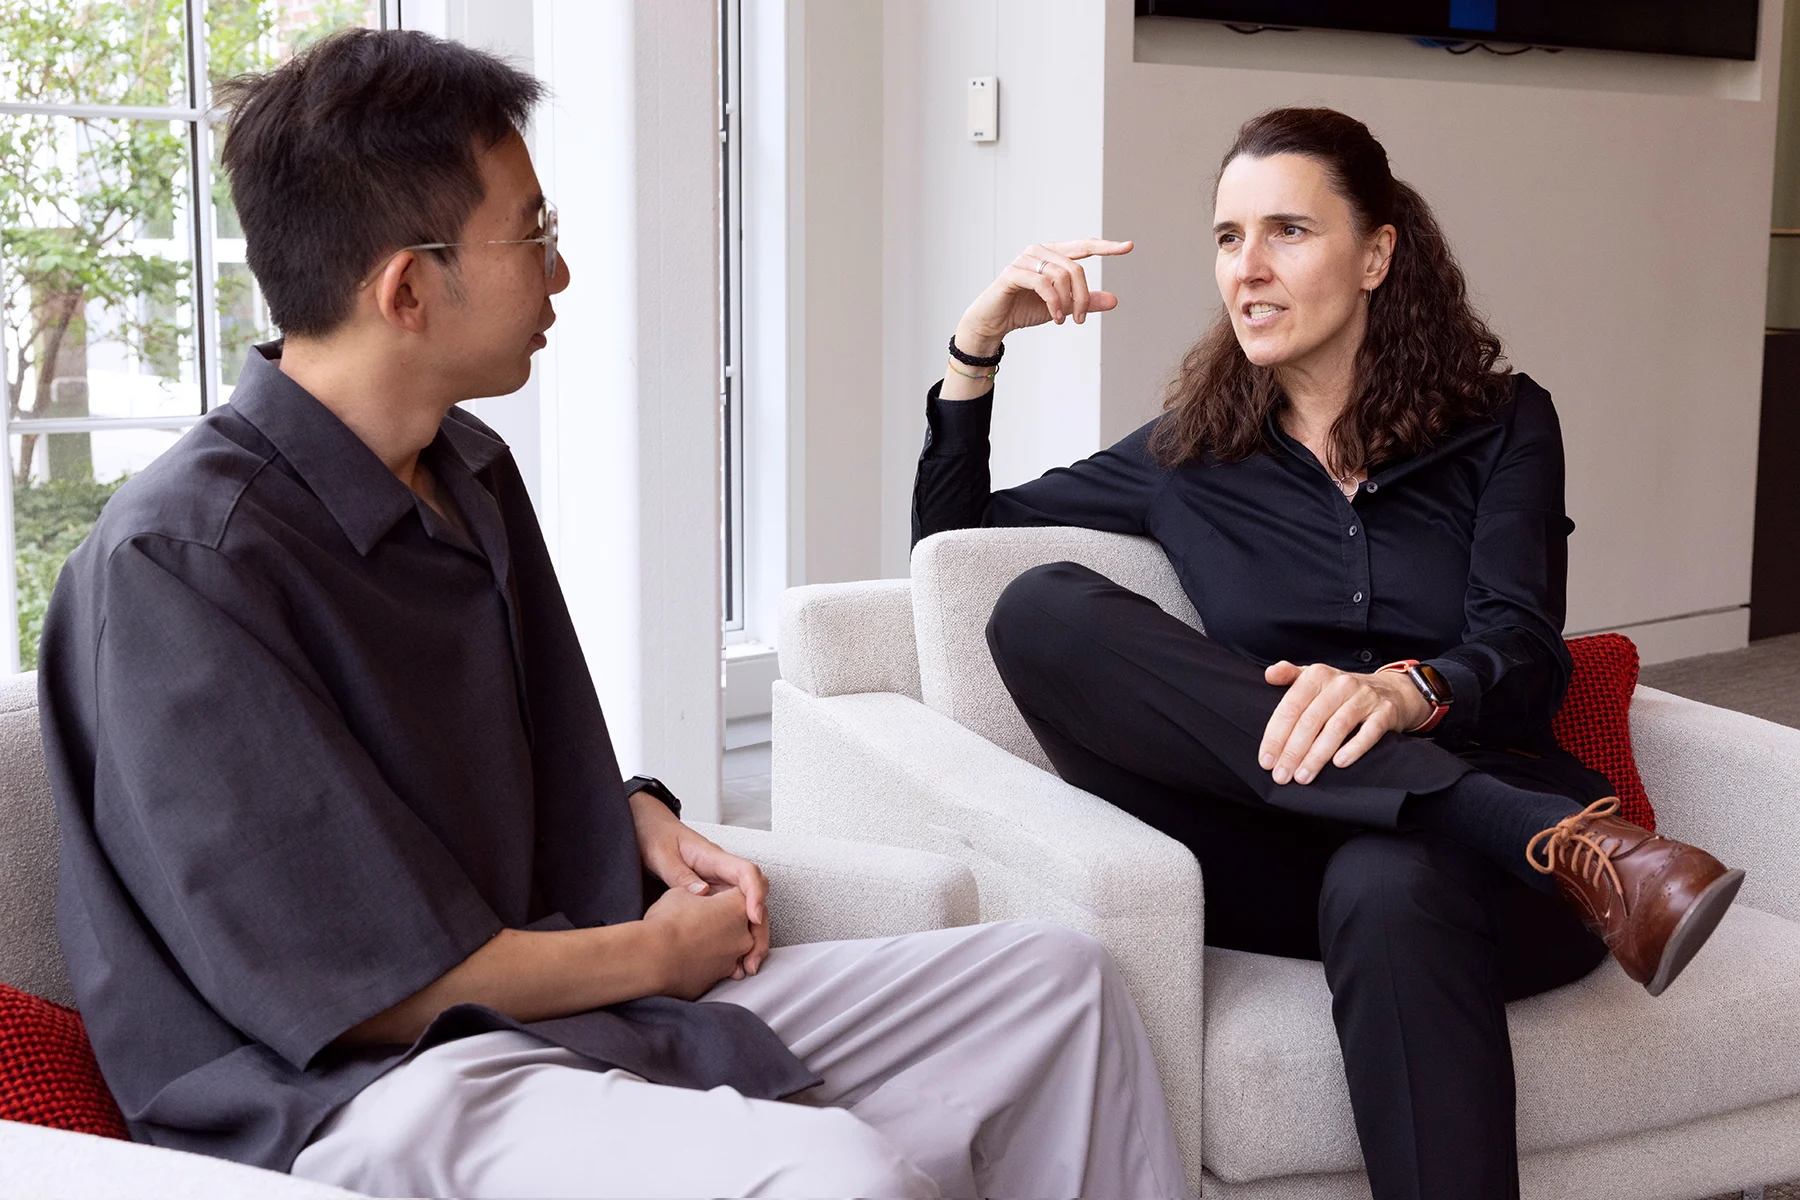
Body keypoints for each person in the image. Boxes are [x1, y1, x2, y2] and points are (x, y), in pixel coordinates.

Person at [37, 29, 1189, 1200]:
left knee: (1059, 989)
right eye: (534, 235)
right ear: (407, 288)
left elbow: (478, 771)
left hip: (570, 1009)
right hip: (365, 1094)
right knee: (838, 1175)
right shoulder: (180, 564)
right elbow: (362, 988)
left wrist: (629, 809)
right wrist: (654, 951)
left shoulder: (466, 471)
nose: (561, 274)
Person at [913, 106, 1745, 1200]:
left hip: (1487, 887)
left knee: (1390, 878)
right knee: (1037, 607)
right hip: (1284, 847)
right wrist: (978, 348)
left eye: (1287, 232)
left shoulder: (1501, 426)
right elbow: (947, 554)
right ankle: (1563, 840)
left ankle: (1508, 827)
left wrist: (1410, 693)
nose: (1246, 269)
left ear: (1377, 253)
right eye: (1226, 238)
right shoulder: (1186, 456)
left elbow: (1525, 650)